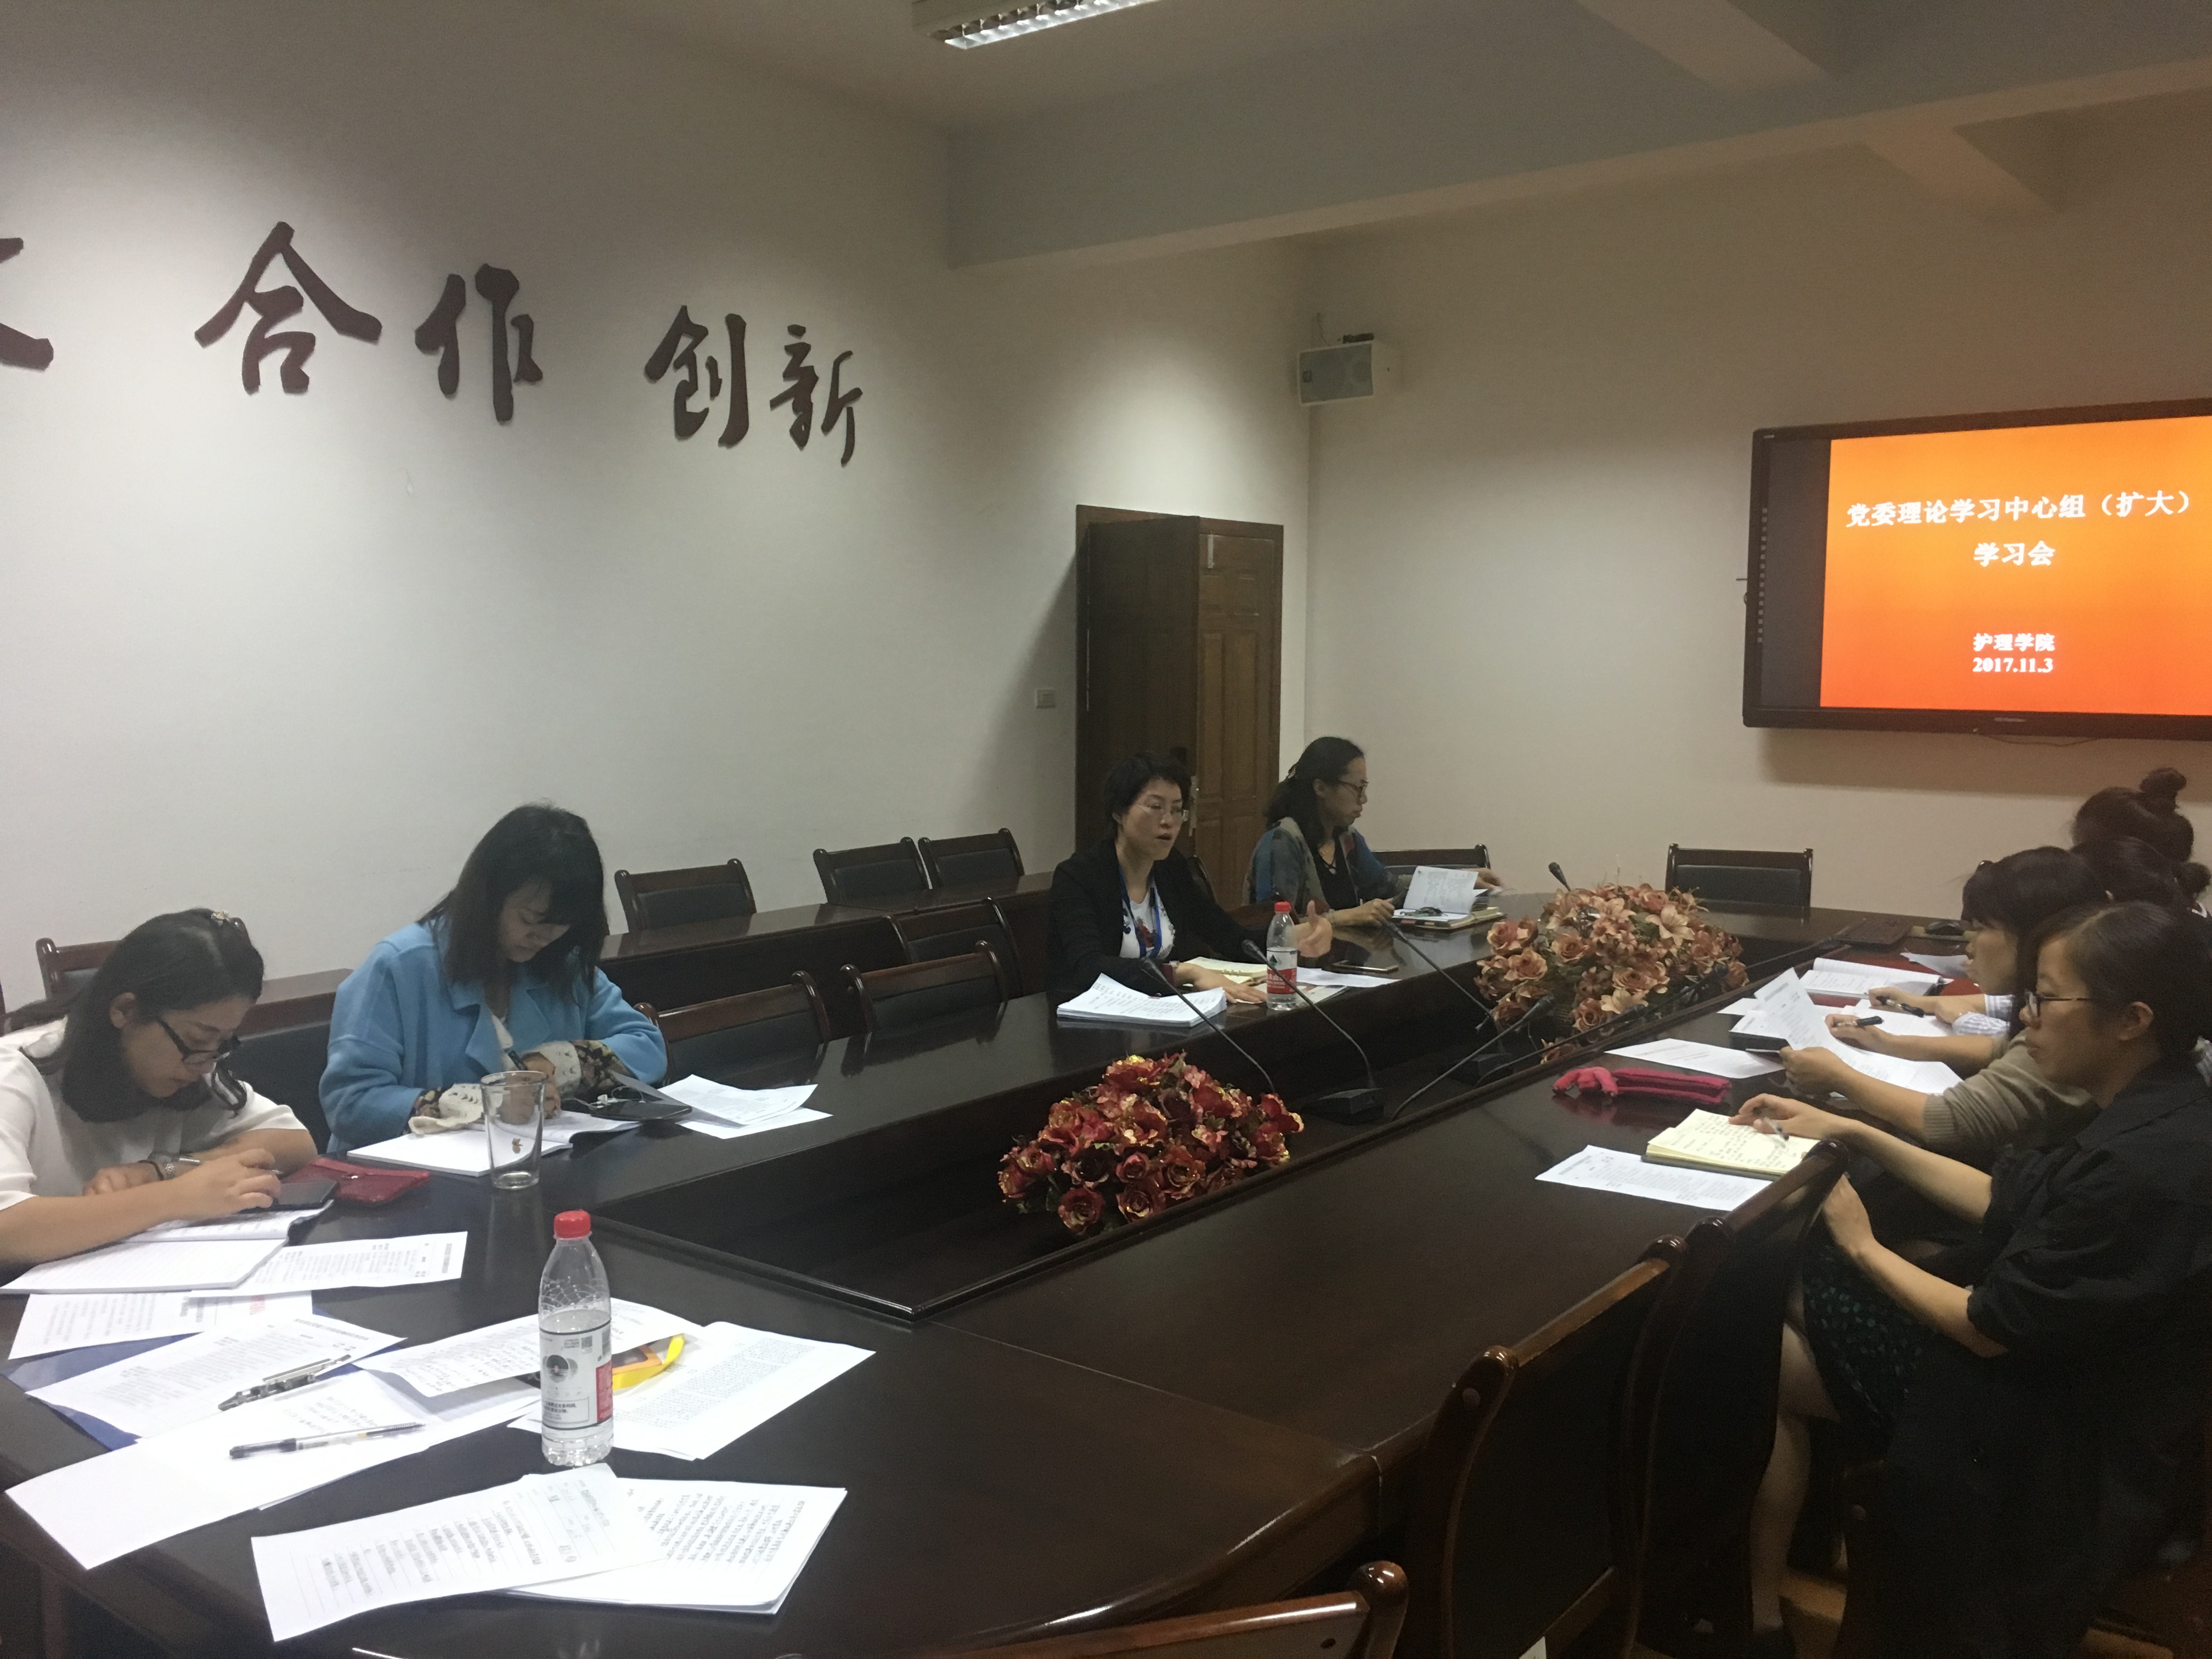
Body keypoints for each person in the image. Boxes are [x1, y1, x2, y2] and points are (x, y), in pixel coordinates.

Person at [1733, 901, 2212, 1658]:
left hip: (2050, 1433)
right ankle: (1776, 1587)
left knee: (1758, 1340)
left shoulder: (2143, 1168)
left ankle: (1755, 1614)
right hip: (2067, 1374)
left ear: (2132, 1020)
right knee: (1782, 1295)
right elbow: (2006, 1199)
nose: (2025, 1021)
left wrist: (1861, 1244)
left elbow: (1989, 1329)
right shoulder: (2161, 1102)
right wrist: (1856, 1132)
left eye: (2046, 998)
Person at [321, 804, 666, 1154]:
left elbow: (647, 1046)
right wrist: (483, 1103)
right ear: (489, 896)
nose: (544, 937)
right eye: (530, 920)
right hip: (412, 1173)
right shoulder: (400, 966)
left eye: (561, 924)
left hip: (537, 1161)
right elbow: (350, 1102)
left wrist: (558, 1062)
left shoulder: (561, 963)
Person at [0, 911, 315, 1266]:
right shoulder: (13, 1072)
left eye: (222, 1042)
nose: (206, 1064)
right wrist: (176, 1196)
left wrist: (162, 1170)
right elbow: (6, 1229)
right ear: (126, 1011)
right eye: (198, 1039)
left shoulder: (189, 1064)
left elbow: (294, 1141)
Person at [1779, 848, 2101, 1153]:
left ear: (2035, 935)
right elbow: (2001, 1049)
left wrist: (1839, 1077)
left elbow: (1953, 1121)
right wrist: (1887, 1043)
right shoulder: (2066, 1001)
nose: (1969, 946)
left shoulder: (2071, 1022)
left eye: (1982, 928)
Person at [1049, 752, 1332, 1002]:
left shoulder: (1170, 869)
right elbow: (1087, 968)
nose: (1168, 821)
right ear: (1119, 812)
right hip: (1092, 1022)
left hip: (1163, 1011)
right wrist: (1183, 972)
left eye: (1177, 810)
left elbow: (1230, 938)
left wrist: (1293, 936)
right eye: (1156, 807)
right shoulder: (1078, 877)